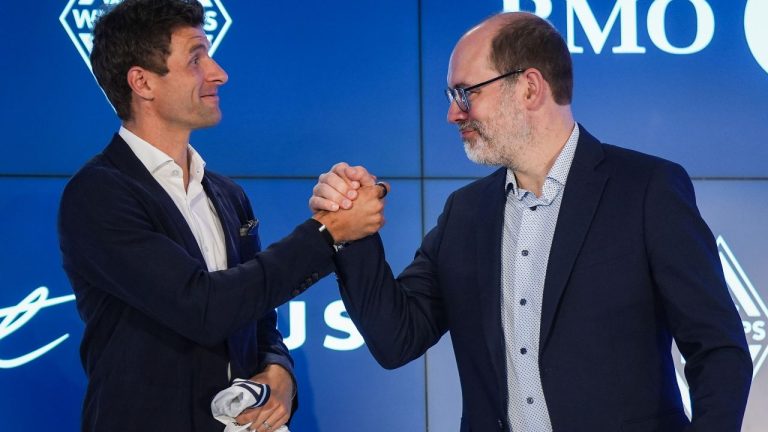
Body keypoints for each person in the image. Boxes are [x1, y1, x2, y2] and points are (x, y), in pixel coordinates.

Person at [310, 11, 752, 431]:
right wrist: (354, 235)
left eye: (466, 92)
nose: (453, 113)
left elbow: (718, 349)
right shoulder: (466, 214)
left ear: (529, 88)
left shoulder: (646, 189)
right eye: (451, 97)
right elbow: (396, 339)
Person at [57, 0, 384, 430]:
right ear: (142, 82)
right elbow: (202, 307)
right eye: (196, 58)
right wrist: (325, 233)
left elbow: (257, 313)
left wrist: (279, 371)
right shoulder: (99, 193)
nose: (218, 73)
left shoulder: (228, 195)